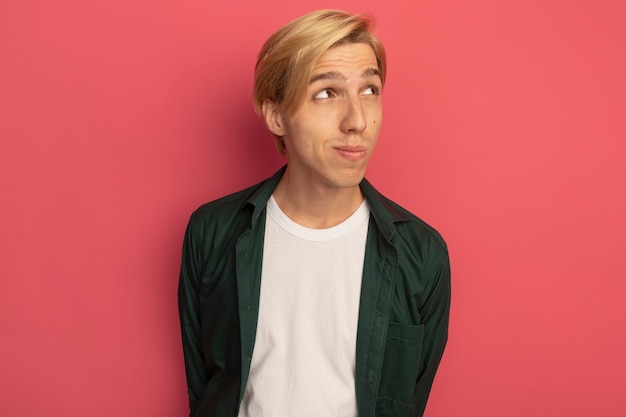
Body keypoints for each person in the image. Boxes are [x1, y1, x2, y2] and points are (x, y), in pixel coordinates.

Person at [178, 9, 451, 417]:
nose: (358, 120)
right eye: (326, 92)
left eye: (370, 89)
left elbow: (408, 398)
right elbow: (207, 388)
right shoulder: (212, 233)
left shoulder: (422, 254)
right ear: (275, 115)